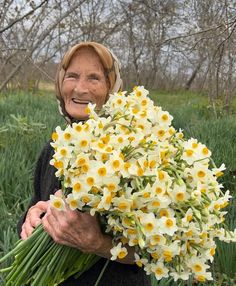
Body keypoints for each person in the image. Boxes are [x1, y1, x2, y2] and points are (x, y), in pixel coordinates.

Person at [17, 42, 151, 286]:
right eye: (72, 76)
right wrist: (31, 218)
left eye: (94, 78)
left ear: (112, 87)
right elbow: (35, 202)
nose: (80, 88)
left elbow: (153, 251)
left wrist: (98, 244)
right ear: (60, 82)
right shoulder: (54, 147)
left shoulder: (133, 151)